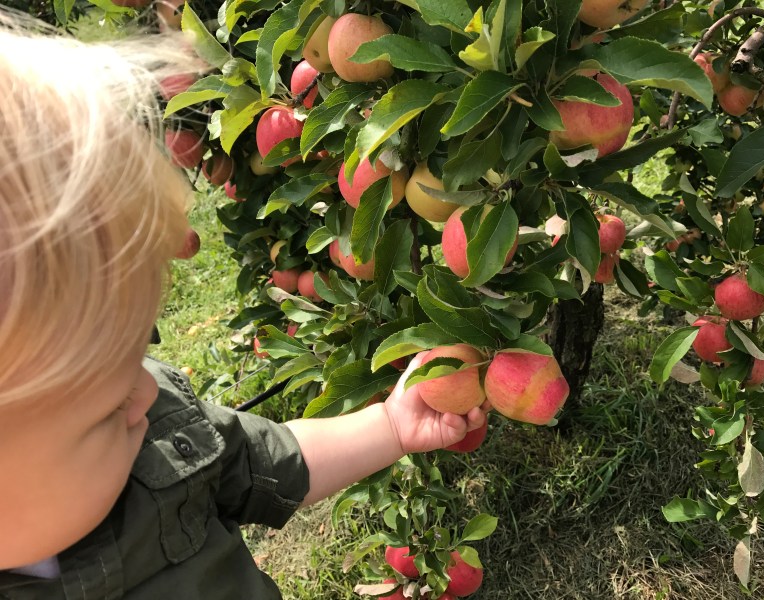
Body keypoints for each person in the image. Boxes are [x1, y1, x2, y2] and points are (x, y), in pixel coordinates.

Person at [0, 16, 487, 600]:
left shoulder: (151, 425)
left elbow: (269, 461)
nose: (148, 394)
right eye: (106, 406)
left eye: (138, 350)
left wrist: (388, 427)